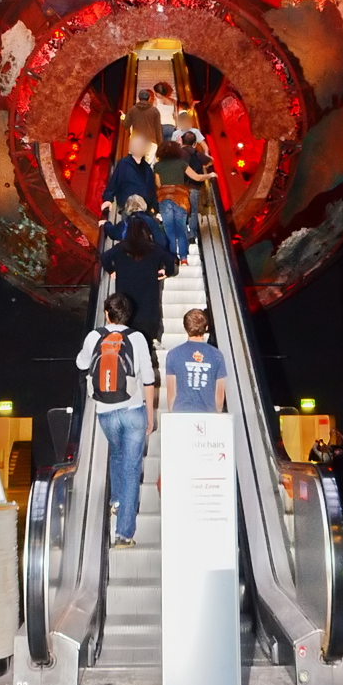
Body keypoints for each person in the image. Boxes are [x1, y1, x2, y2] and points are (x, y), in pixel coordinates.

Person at [76, 293, 154, 547]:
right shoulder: (137, 338)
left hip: (105, 410)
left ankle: (116, 500)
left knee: (116, 453)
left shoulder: (94, 336)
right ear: (128, 315)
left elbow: (81, 363)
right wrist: (150, 414)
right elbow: (148, 378)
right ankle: (123, 534)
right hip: (133, 408)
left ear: (106, 313)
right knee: (132, 468)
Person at [102, 214, 177, 340]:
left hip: (126, 311)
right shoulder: (154, 249)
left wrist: (111, 270)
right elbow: (170, 260)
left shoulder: (120, 249)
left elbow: (104, 257)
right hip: (149, 310)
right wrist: (166, 272)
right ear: (146, 232)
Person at [154, 140, 214, 265]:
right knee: (181, 230)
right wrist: (210, 175)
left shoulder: (158, 166)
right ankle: (184, 259)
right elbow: (197, 177)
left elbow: (158, 184)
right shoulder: (182, 163)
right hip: (180, 198)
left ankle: (172, 259)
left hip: (164, 198)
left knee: (169, 230)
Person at [165, 308, 227, 413]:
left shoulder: (173, 354)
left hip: (181, 412)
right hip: (208, 413)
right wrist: (218, 412)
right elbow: (219, 393)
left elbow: (171, 391)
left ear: (185, 328)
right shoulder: (217, 355)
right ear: (206, 327)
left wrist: (172, 411)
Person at [101, 134, 158, 215]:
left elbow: (151, 189)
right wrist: (107, 200)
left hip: (145, 211)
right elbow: (113, 183)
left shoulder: (147, 168)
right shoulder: (123, 164)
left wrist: (155, 208)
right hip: (129, 209)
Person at [101, 193, 169, 249]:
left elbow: (114, 233)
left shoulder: (126, 222)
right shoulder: (150, 221)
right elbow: (161, 241)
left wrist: (106, 224)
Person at [180, 130, 213, 243]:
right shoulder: (198, 154)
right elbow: (210, 161)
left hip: (180, 188)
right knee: (193, 212)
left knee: (181, 212)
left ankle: (182, 234)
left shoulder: (176, 154)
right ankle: (192, 235)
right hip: (194, 187)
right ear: (194, 144)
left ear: (181, 141)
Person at [121, 89, 162, 159]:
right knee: (149, 166)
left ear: (139, 98)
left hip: (136, 140)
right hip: (151, 141)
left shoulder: (132, 110)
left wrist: (122, 118)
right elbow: (158, 129)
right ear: (149, 98)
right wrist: (160, 144)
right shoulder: (155, 111)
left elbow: (126, 125)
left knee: (136, 165)